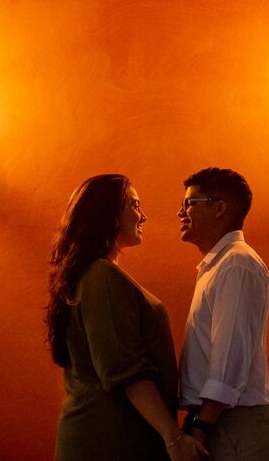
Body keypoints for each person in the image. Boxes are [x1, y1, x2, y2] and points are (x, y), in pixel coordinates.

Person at [45, 174, 204, 461]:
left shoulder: (96, 275)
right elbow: (125, 370)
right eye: (134, 205)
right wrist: (174, 437)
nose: (143, 216)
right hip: (106, 443)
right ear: (109, 213)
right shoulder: (101, 276)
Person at [177, 167, 269, 460]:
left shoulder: (237, 265)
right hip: (221, 420)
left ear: (219, 208)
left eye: (189, 203)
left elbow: (229, 359)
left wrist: (201, 426)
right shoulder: (219, 265)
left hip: (235, 424)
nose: (180, 212)